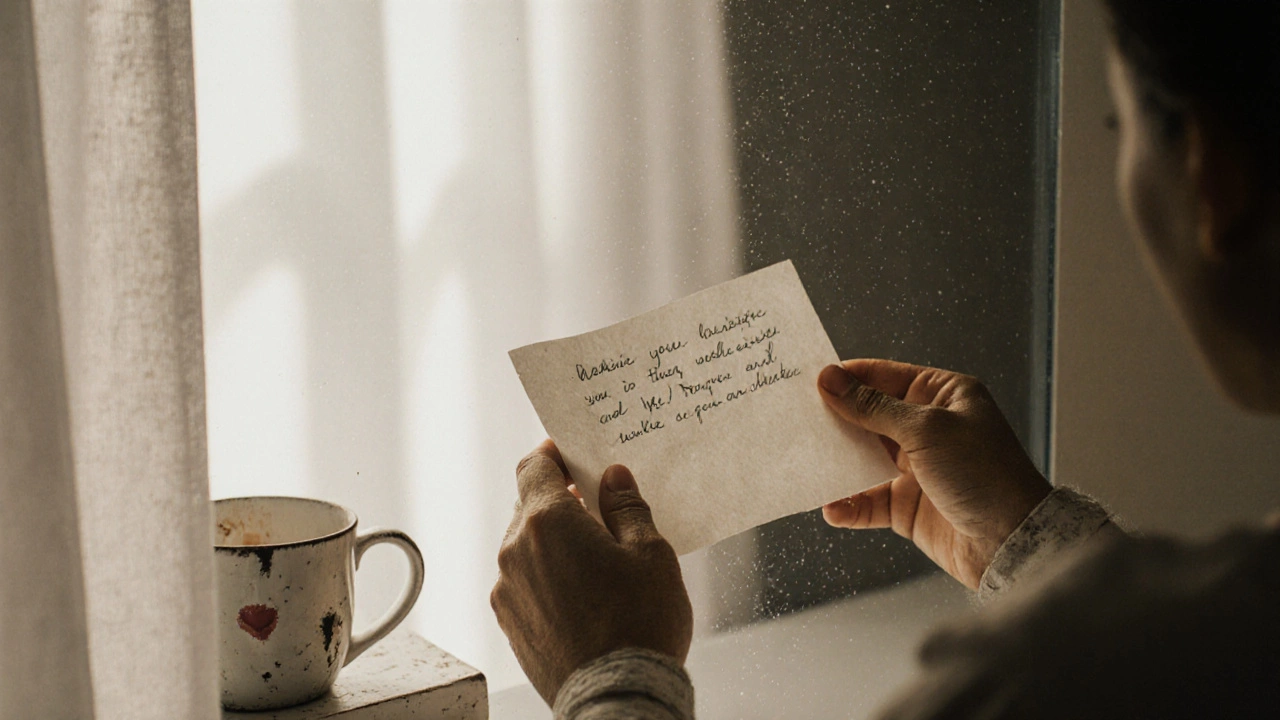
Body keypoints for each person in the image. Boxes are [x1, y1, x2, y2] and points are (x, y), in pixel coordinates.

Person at [490, 1, 1280, 717]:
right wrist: (1030, 539)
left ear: (1214, 178)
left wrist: (614, 681)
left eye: (1116, 126)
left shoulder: (1037, 682)